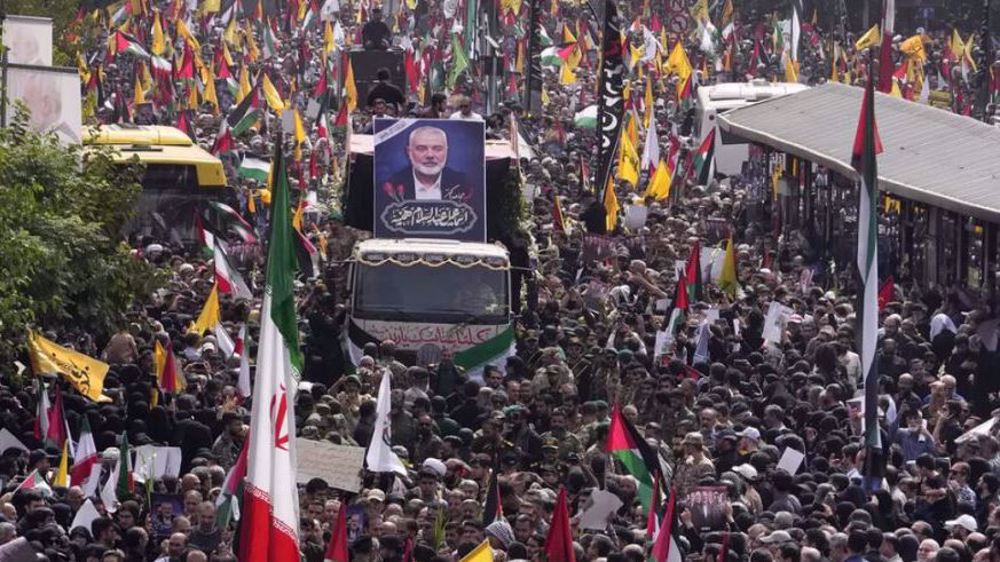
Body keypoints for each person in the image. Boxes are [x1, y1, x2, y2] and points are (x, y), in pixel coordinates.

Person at [383, 125, 472, 201]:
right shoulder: (390, 186)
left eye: (437, 149)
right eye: (421, 148)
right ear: (409, 152)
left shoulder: (465, 184)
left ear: (446, 151)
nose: (430, 155)